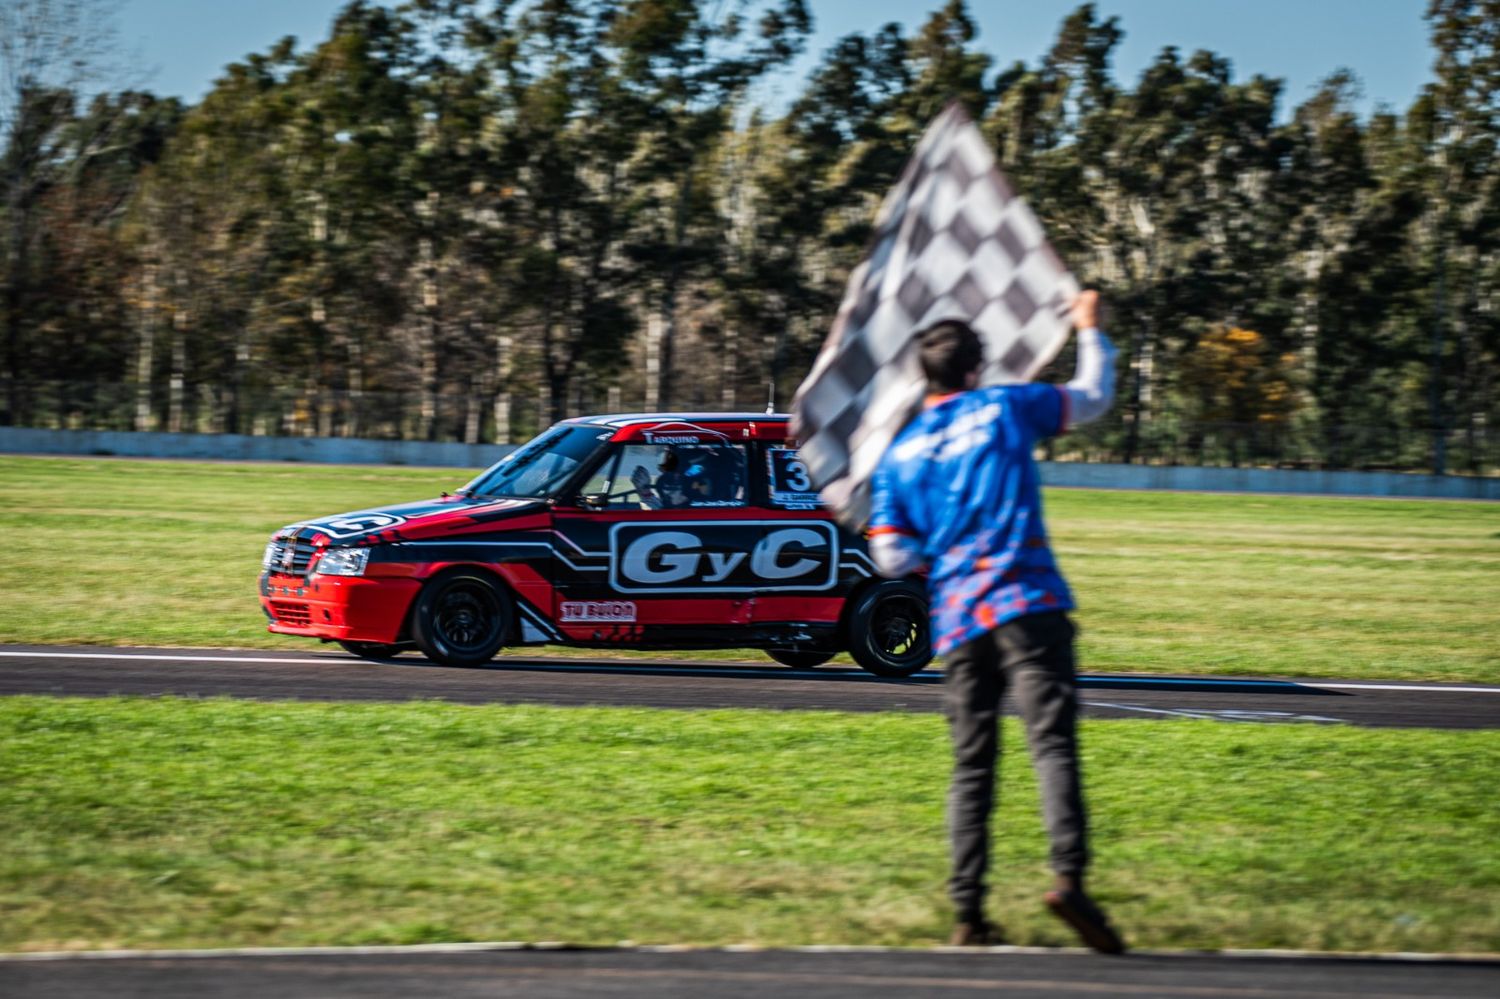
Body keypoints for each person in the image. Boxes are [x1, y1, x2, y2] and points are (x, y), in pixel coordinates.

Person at [867, 290, 1125, 953]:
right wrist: (1089, 329)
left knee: (972, 765)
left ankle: (968, 912)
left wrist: (937, 541)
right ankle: (1068, 879)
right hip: (1027, 600)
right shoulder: (1006, 407)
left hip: (958, 616)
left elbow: (891, 556)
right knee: (1052, 745)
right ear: (976, 369)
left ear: (925, 374)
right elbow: (1093, 396)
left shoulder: (901, 454)